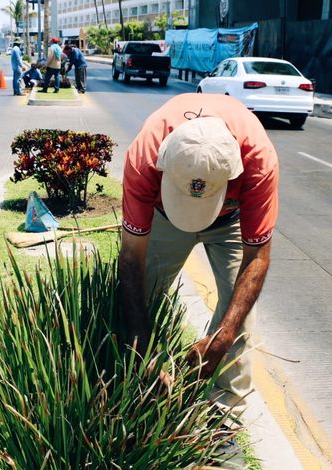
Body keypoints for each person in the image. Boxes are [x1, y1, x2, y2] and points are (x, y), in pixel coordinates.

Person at [118, 93, 279, 409]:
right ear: (163, 164)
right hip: (163, 214)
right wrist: (143, 348)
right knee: (141, 295)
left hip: (230, 216)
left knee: (240, 310)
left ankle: (225, 410)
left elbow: (257, 257)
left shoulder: (259, 160)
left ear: (233, 171)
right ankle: (140, 387)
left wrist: (223, 336)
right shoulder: (144, 156)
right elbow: (131, 258)